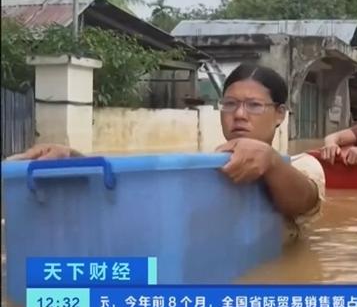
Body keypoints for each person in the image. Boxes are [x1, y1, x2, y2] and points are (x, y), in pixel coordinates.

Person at [7, 63, 325, 243]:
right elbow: (135, 190)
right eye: (230, 104)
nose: (239, 114)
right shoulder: (197, 167)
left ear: (280, 113)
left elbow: (304, 203)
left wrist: (268, 161)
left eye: (254, 105)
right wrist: (72, 159)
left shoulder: (303, 164)